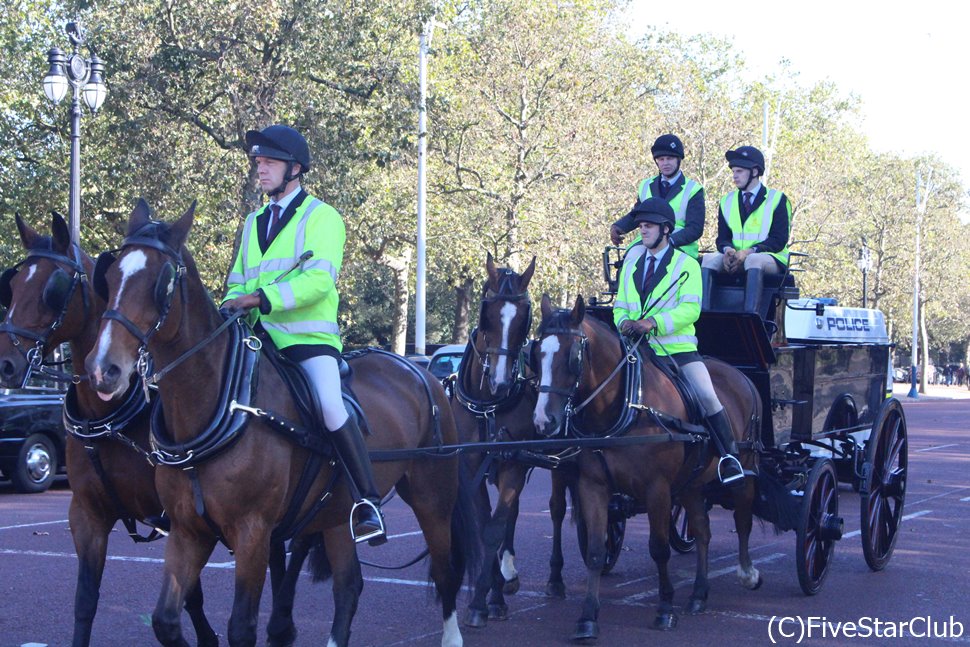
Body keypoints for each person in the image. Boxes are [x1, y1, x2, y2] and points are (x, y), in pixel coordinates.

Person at [222, 124, 386, 544]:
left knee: (331, 405)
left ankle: (367, 502)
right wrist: (233, 301)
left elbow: (319, 282)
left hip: (306, 342)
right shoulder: (252, 221)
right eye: (258, 162)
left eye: (269, 162)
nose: (261, 169)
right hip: (257, 341)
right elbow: (239, 280)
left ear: (295, 169)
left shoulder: (323, 217)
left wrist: (261, 298)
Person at [613, 197, 744, 485]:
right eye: (640, 227)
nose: (642, 231)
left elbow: (690, 310)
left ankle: (729, 457)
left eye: (648, 226)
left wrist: (653, 323)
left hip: (677, 351)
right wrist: (622, 321)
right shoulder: (632, 260)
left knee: (707, 396)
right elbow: (620, 302)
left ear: (666, 230)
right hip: (635, 349)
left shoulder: (687, 265)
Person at [701, 146, 793, 314]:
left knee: (753, 260)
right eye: (734, 171)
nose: (735, 176)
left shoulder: (777, 199)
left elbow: (779, 240)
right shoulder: (726, 200)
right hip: (735, 256)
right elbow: (722, 237)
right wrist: (728, 250)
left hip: (770, 258)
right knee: (708, 259)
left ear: (755, 171)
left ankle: (751, 317)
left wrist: (748, 252)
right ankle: (704, 316)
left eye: (740, 171)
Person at [610, 134, 706, 259]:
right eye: (661, 159)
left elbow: (695, 229)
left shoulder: (693, 190)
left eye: (670, 158)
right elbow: (637, 215)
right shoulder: (645, 186)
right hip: (648, 243)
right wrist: (619, 226)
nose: (665, 163)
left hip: (680, 246)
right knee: (630, 259)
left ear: (678, 160)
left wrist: (666, 241)